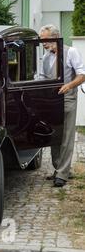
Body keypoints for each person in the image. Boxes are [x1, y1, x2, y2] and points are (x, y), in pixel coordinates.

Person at [39, 24, 85, 187]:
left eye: (46, 40)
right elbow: (43, 78)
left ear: (56, 37)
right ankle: (59, 168)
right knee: (54, 135)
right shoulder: (45, 57)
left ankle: (63, 174)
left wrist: (69, 85)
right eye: (42, 41)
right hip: (52, 102)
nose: (43, 43)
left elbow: (82, 75)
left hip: (68, 99)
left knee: (66, 137)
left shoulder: (71, 52)